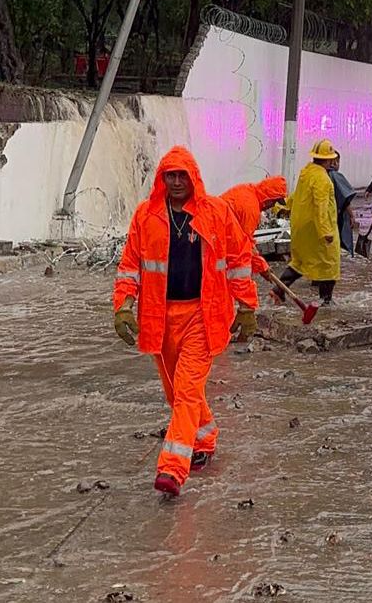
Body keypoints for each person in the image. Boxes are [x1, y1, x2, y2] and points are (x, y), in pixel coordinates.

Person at [113, 146, 259, 497]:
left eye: (182, 175)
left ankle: (172, 468)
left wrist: (247, 307)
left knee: (189, 388)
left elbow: (239, 259)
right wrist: (122, 306)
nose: (177, 182)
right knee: (176, 393)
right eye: (170, 176)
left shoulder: (216, 213)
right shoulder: (146, 217)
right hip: (158, 317)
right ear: (162, 179)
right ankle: (205, 436)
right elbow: (131, 264)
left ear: (194, 177)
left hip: (203, 314)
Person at [273, 139, 341, 305]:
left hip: (301, 228)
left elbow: (297, 195)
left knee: (300, 261)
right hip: (316, 230)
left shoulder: (306, 173)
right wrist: (326, 232)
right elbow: (321, 206)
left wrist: (284, 208)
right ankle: (326, 301)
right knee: (329, 264)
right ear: (328, 159)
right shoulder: (323, 180)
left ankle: (278, 289)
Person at [221, 175, 289, 279]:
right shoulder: (251, 208)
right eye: (274, 201)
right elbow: (246, 242)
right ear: (269, 197)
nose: (273, 205)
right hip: (220, 236)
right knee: (239, 268)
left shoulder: (248, 191)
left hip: (220, 234)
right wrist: (262, 267)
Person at [328, 151, 357, 255]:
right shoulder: (335, 176)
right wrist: (352, 215)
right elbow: (345, 198)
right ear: (334, 162)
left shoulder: (312, 175)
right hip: (333, 217)